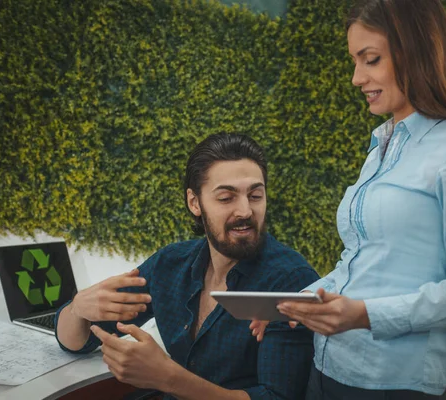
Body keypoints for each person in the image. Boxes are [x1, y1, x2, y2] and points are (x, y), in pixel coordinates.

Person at [251, 0, 446, 398]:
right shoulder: (381, 146)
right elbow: (358, 260)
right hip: (327, 365)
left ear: (416, 54)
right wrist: (299, 302)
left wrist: (365, 316)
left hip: (392, 383)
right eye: (356, 61)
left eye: (370, 60)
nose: (356, 78)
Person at [55, 133, 320, 400]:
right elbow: (78, 342)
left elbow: (277, 398)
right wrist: (78, 309)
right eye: (226, 198)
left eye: (255, 195)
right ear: (195, 202)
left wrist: (168, 378)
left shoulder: (291, 281)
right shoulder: (171, 264)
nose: (245, 211)